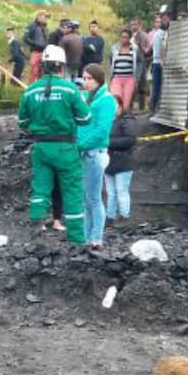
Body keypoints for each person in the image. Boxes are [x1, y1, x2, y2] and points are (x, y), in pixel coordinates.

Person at [18, 45, 91, 245]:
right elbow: (86, 118)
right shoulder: (70, 89)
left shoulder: (30, 91)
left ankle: (36, 228)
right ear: (62, 66)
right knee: (72, 191)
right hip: (66, 148)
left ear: (43, 66)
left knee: (41, 187)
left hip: (41, 148)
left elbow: (22, 122)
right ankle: (77, 241)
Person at [77, 64, 117, 248]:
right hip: (84, 152)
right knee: (86, 199)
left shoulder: (106, 100)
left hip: (94, 153)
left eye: (89, 78)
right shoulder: (86, 97)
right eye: (84, 78)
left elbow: (102, 131)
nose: (85, 82)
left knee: (93, 198)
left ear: (98, 79)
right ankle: (87, 237)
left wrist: (80, 145)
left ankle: (96, 238)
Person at [105, 100, 138, 225]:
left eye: (113, 105)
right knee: (111, 192)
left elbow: (130, 140)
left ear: (120, 106)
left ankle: (124, 216)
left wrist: (109, 143)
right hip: (108, 161)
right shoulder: (108, 120)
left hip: (123, 161)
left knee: (121, 190)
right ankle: (110, 217)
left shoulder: (128, 120)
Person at [109, 28, 140, 113]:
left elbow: (139, 62)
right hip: (116, 78)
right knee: (116, 100)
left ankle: (124, 118)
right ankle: (116, 118)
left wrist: (136, 79)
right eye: (122, 37)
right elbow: (111, 61)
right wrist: (110, 76)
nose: (124, 39)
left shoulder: (134, 49)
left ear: (130, 38)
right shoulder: (114, 48)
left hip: (129, 79)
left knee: (125, 106)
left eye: (126, 37)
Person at [150, 9, 170, 115]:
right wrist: (161, 60)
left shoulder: (169, 32)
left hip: (165, 63)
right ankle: (153, 110)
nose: (165, 20)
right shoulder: (158, 34)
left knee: (165, 88)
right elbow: (158, 51)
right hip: (157, 63)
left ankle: (161, 110)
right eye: (163, 18)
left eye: (167, 18)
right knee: (156, 88)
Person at [131, 17, 151, 111]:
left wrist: (139, 45)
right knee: (133, 84)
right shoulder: (132, 35)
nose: (133, 26)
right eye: (132, 24)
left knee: (140, 85)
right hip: (132, 62)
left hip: (141, 62)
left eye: (135, 24)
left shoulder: (143, 35)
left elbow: (146, 51)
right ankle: (130, 105)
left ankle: (141, 107)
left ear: (140, 25)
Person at [23, 10, 49, 83]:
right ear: (39, 16)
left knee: (43, 72)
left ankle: (40, 86)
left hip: (44, 52)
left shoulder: (45, 27)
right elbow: (25, 38)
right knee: (34, 71)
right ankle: (32, 85)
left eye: (47, 17)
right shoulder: (31, 26)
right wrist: (35, 44)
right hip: (35, 51)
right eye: (45, 16)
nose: (46, 18)